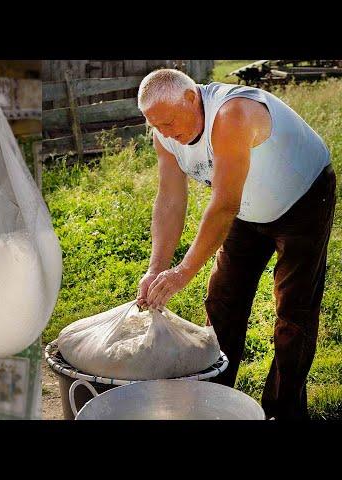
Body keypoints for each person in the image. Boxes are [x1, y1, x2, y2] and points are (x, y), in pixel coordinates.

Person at [135, 68, 336, 420]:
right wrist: (156, 268)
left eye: (168, 123)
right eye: (156, 127)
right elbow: (169, 199)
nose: (165, 134)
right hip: (247, 208)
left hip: (303, 198)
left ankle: (283, 410)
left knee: (294, 310)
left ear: (191, 97)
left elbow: (224, 204)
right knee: (223, 301)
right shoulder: (164, 133)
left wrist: (183, 272)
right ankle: (214, 400)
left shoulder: (232, 115)